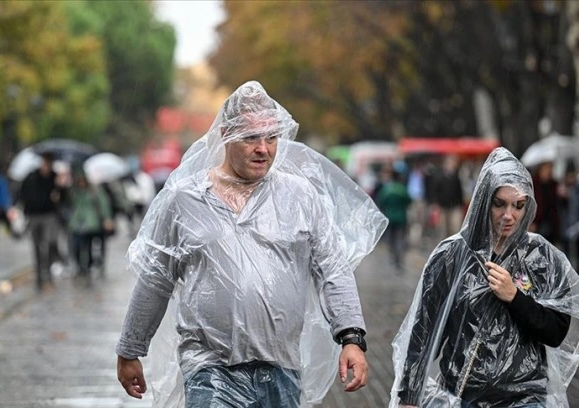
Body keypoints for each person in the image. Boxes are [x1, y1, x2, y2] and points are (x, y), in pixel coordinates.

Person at [115, 81, 387, 407]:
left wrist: (352, 339)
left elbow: (332, 269)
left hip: (281, 369)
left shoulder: (300, 197)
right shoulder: (184, 200)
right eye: (251, 137)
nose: (264, 148)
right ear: (226, 135)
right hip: (210, 368)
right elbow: (155, 279)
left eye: (271, 137)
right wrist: (130, 349)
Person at [390, 147, 579, 408]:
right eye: (499, 203)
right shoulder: (452, 255)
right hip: (463, 397)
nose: (508, 215)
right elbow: (424, 331)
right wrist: (409, 397)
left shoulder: (541, 256)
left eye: (519, 205)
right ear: (483, 201)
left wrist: (514, 297)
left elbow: (556, 330)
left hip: (526, 398)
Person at [17, 151, 63, 292]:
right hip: (33, 215)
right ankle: (39, 277)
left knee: (49, 243)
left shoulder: (55, 178)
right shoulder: (31, 177)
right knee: (36, 246)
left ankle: (48, 275)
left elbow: (63, 197)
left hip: (49, 215)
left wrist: (59, 191)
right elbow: (22, 194)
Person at [66, 170, 113, 286]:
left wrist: (107, 218)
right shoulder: (73, 191)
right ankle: (82, 267)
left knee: (90, 247)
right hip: (77, 223)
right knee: (77, 246)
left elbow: (103, 204)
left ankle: (89, 266)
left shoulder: (94, 190)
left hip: (92, 223)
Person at [377, 168, 413, 272]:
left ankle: (392, 256)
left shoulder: (387, 189)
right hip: (401, 217)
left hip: (390, 217)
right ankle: (399, 257)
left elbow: (381, 202)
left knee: (391, 238)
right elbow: (409, 201)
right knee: (400, 237)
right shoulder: (402, 189)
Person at [428, 155, 465, 240]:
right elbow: (435, 191)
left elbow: (459, 192)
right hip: (442, 207)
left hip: (454, 206)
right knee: (442, 229)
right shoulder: (439, 176)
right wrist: (435, 205)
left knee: (454, 228)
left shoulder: (456, 177)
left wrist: (460, 205)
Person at [530, 161, 560, 245]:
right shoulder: (533, 183)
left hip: (551, 222)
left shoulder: (554, 184)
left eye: (551, 168)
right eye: (548, 167)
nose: (550, 170)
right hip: (537, 222)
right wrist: (531, 222)